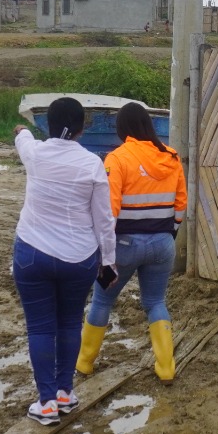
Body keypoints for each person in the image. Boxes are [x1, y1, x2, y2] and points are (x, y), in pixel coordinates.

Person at [12, 97, 117, 425]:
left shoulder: (36, 153)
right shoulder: (92, 164)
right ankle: (64, 393)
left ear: (48, 125)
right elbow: (104, 220)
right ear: (82, 128)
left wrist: (21, 131)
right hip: (79, 258)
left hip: (32, 253)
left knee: (40, 327)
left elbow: (23, 139)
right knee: (70, 323)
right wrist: (108, 261)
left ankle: (46, 403)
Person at [75, 102, 186, 383]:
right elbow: (181, 206)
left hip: (123, 247)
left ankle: (85, 363)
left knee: (102, 300)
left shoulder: (117, 159)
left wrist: (104, 252)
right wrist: (169, 234)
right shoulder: (172, 157)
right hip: (162, 243)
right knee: (155, 302)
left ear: (122, 128)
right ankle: (166, 368)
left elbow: (108, 211)